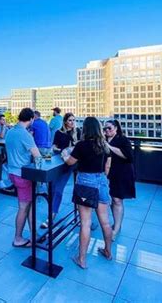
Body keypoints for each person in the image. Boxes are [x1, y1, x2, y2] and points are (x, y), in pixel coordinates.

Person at [62, 116, 112, 269]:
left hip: (85, 182)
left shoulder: (82, 145)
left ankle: (82, 259)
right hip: (101, 181)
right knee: (105, 221)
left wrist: (64, 154)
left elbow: (70, 162)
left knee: (85, 223)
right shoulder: (104, 144)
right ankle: (108, 251)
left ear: (85, 129)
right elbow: (108, 166)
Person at [6, 108, 41, 247]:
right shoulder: (25, 134)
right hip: (23, 175)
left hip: (12, 172)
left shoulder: (10, 132)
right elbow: (37, 156)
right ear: (31, 119)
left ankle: (34, 234)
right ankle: (18, 238)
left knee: (29, 205)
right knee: (23, 207)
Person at [40, 112, 81, 229]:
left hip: (71, 163)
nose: (72, 122)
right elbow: (54, 146)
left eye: (74, 120)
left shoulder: (77, 132)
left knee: (58, 189)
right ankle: (53, 210)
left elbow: (79, 147)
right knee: (52, 188)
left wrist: (70, 149)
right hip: (58, 160)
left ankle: (51, 216)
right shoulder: (59, 132)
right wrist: (57, 150)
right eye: (70, 120)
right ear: (65, 121)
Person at [104, 119, 136, 241]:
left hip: (123, 172)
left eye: (109, 128)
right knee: (113, 198)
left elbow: (129, 156)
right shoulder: (104, 140)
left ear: (116, 128)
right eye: (105, 129)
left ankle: (116, 228)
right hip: (109, 173)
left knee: (117, 200)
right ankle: (117, 222)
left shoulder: (123, 140)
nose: (107, 131)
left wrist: (109, 147)